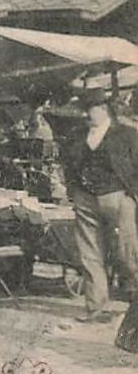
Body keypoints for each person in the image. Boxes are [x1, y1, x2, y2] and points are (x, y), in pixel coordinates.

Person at [60, 89, 138, 323]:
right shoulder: (76, 135)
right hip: (85, 198)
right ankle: (96, 308)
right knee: (90, 254)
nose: (85, 115)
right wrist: (73, 191)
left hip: (117, 196)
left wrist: (132, 195)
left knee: (129, 251)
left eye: (89, 110)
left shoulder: (127, 134)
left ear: (104, 109)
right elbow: (68, 165)